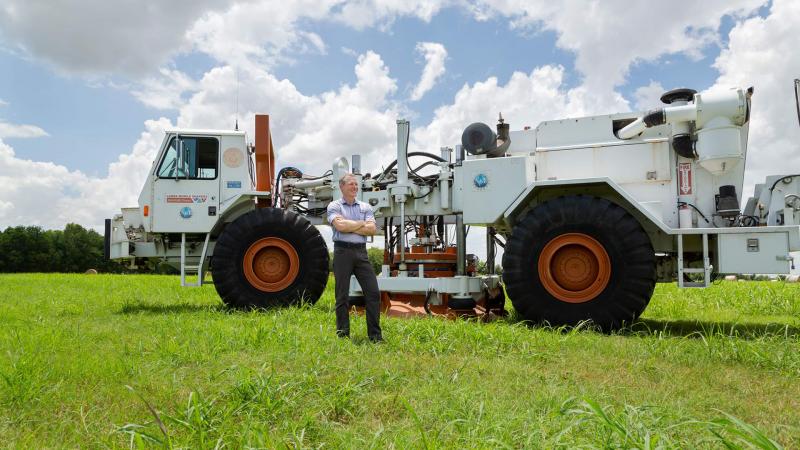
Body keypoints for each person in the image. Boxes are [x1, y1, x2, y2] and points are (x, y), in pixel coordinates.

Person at [327, 173, 384, 342]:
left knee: (373, 293)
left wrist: (350, 225)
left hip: (361, 252)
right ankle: (343, 335)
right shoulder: (334, 205)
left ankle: (375, 336)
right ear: (342, 187)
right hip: (342, 252)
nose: (355, 187)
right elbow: (340, 225)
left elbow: (372, 230)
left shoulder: (365, 207)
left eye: (356, 185)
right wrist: (361, 224)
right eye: (351, 184)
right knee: (342, 296)